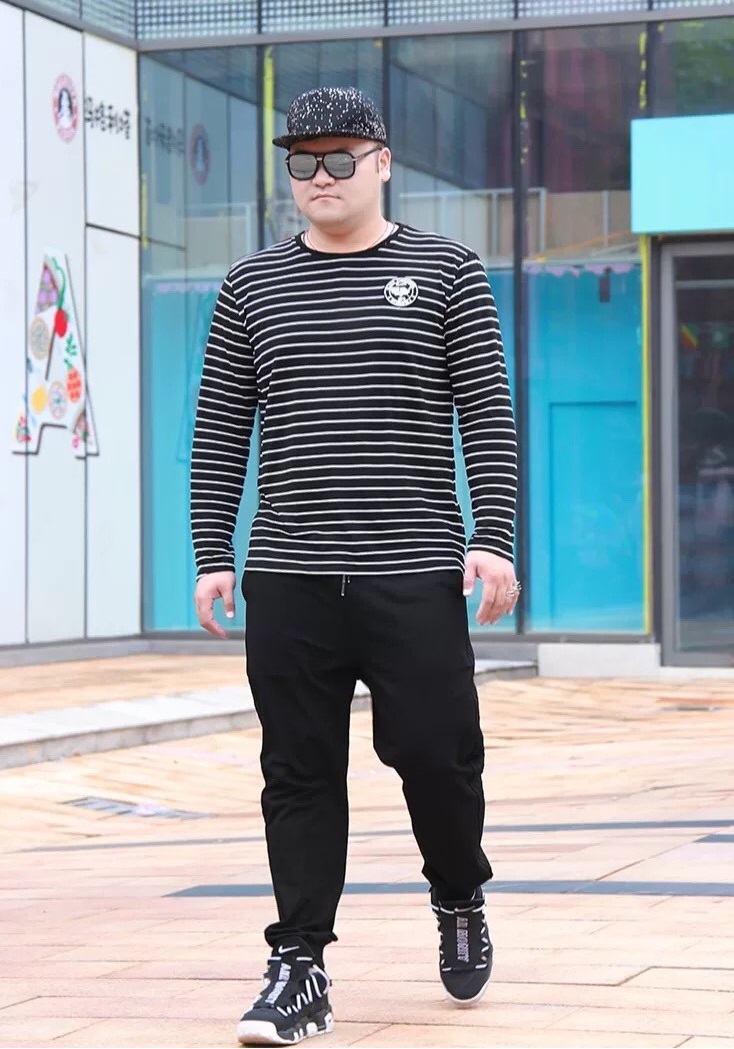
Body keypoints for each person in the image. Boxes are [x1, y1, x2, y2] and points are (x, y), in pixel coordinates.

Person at [190, 86, 520, 1047]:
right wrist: (214, 552)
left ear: (382, 164)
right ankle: (299, 964)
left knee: (436, 754)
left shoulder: (447, 271)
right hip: (289, 573)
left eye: (341, 157)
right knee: (296, 769)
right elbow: (221, 429)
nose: (321, 175)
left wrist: (492, 536)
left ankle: (457, 890)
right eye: (303, 160)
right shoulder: (250, 286)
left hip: (412, 569)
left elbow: (486, 414)